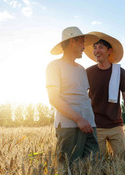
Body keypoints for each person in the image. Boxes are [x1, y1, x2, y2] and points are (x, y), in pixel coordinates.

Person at [46, 27, 100, 167]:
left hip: (89, 125)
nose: (84, 47)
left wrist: (88, 119)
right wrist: (78, 119)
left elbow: (84, 97)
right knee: (69, 172)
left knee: (92, 170)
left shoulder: (81, 69)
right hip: (69, 126)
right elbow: (54, 98)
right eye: (82, 42)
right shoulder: (54, 66)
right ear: (72, 41)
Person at [84, 32, 125, 156]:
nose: (96, 50)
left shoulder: (120, 72)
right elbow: (82, 96)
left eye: (100, 47)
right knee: (97, 163)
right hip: (96, 125)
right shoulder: (88, 72)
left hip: (115, 126)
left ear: (109, 51)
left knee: (122, 161)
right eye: (95, 47)